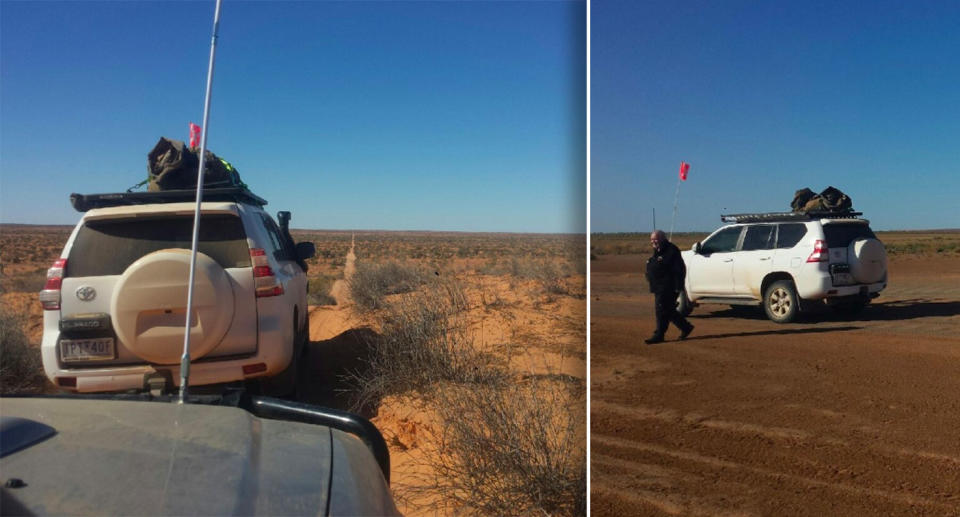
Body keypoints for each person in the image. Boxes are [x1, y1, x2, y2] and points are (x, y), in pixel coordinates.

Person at [644, 230, 694, 344]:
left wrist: (678, 287)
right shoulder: (658, 250)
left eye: (655, 239)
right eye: (652, 240)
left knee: (661, 310)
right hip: (658, 286)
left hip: (668, 286)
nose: (653, 242)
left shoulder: (671, 250)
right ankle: (686, 327)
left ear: (662, 238)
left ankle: (659, 334)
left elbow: (679, 270)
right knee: (668, 310)